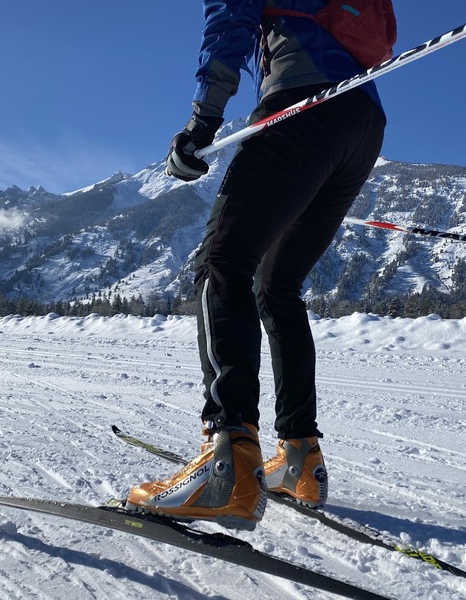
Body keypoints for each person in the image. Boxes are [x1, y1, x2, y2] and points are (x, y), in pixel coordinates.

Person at [126, 0, 388, 531]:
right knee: (278, 284)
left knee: (222, 260)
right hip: (362, 119)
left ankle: (229, 461)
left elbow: (229, 23)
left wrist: (202, 122)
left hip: (302, 103)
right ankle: (299, 458)